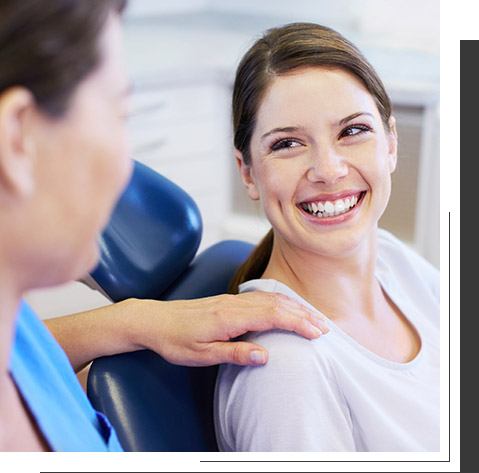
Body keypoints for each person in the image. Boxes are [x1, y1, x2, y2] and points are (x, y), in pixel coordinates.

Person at [0, 2, 330, 452]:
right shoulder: (286, 375)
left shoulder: (19, 338)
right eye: (119, 115)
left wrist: (134, 321)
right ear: (17, 140)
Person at [214, 22, 439, 452]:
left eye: (352, 131)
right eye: (287, 144)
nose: (329, 170)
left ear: (390, 142)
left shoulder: (395, 261)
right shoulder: (285, 370)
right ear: (248, 172)